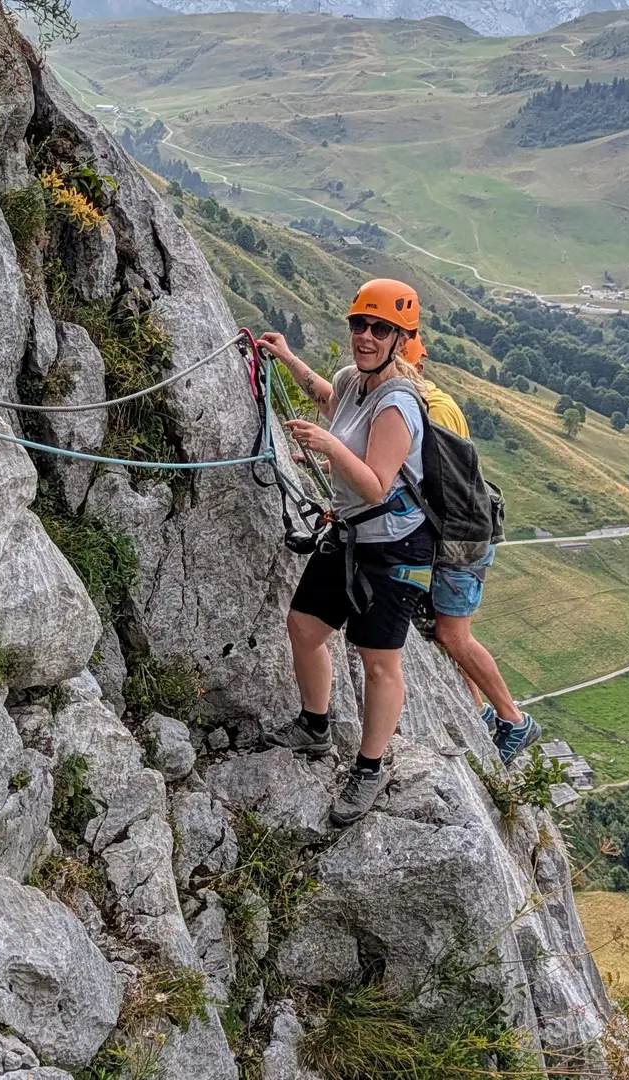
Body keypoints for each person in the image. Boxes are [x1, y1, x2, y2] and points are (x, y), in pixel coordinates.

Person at [255, 279, 434, 826]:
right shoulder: (353, 382)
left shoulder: (399, 404)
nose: (366, 336)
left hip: (395, 544)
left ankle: (371, 768)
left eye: (380, 329)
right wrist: (288, 359)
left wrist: (329, 446)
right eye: (360, 324)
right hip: (353, 534)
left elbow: (378, 483)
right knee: (305, 627)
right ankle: (314, 725)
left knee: (378, 662)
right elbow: (331, 402)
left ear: (402, 340)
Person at [401, 342, 541, 761]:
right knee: (445, 631)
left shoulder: (434, 409)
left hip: (462, 540)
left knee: (452, 634)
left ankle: (514, 720)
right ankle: (478, 711)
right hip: (457, 535)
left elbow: (432, 479)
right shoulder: (420, 403)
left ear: (413, 364)